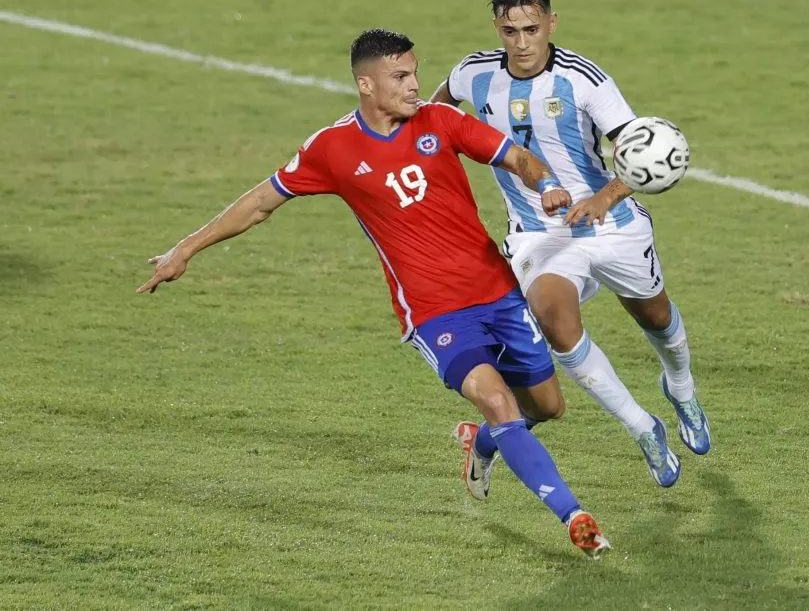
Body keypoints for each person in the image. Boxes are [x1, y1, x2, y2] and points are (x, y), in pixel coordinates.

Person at [137, 28, 611, 559]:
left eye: (415, 73)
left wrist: (546, 184)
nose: (415, 86)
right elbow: (260, 203)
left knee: (546, 407)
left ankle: (479, 442)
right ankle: (575, 518)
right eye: (400, 77)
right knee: (498, 400)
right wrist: (186, 248)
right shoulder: (332, 148)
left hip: (498, 292)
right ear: (366, 84)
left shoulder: (441, 121)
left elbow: (517, 158)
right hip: (433, 312)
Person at [433, 0, 710, 493]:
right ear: (496, 28)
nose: (521, 43)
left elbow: (638, 152)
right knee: (553, 316)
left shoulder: (585, 79)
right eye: (510, 31)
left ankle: (680, 387)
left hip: (613, 225)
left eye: (531, 29)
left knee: (657, 318)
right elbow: (433, 115)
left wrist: (602, 198)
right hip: (538, 234)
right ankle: (643, 427)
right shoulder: (473, 73)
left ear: (551, 22)